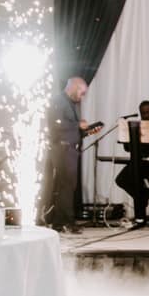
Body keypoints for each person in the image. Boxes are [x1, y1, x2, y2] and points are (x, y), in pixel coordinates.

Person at [43, 76, 96, 234]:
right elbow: (55, 124)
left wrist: (86, 131)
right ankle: (67, 221)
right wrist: (78, 124)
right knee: (66, 186)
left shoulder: (69, 104)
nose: (82, 96)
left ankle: (60, 223)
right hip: (62, 148)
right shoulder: (59, 101)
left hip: (68, 148)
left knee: (66, 187)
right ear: (74, 87)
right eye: (82, 92)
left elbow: (70, 130)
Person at [115, 100, 149, 225]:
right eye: (144, 113)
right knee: (121, 179)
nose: (147, 115)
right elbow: (127, 148)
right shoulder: (136, 126)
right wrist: (130, 139)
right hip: (140, 162)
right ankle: (143, 195)